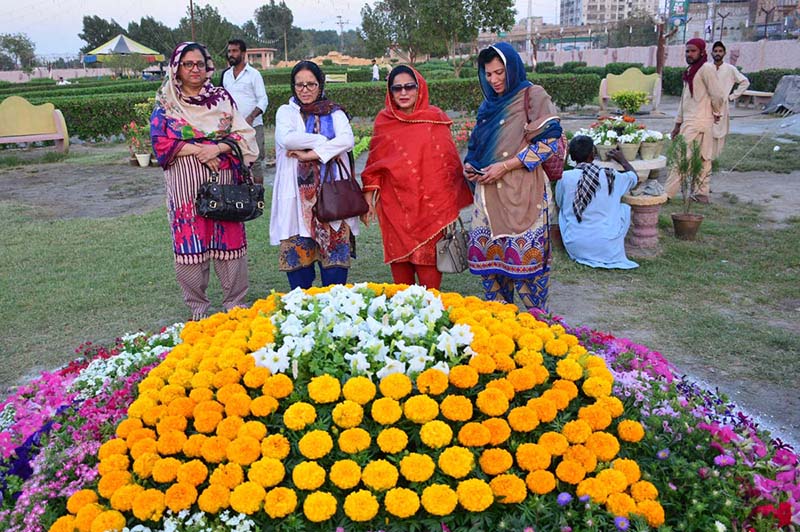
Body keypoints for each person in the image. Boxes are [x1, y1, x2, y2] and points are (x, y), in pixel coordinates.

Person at [150, 42, 259, 321]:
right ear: (177, 68)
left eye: (199, 63)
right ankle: (198, 310)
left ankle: (235, 306)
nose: (195, 69)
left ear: (208, 66)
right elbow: (161, 142)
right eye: (188, 64)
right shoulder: (167, 101)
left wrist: (218, 149)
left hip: (224, 185)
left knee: (229, 241)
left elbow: (244, 134)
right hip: (185, 188)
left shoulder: (221, 98)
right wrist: (201, 149)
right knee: (190, 246)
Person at [464, 43, 565, 311]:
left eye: (500, 72)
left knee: (527, 269)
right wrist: (470, 166)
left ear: (512, 69)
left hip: (523, 193)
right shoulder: (489, 105)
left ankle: (536, 331)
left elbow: (549, 144)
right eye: (488, 74)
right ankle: (502, 330)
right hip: (488, 195)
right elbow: (477, 146)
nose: (494, 80)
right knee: (492, 271)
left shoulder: (533, 95)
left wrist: (506, 166)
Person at [360, 66, 472, 289]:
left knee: (428, 275)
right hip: (394, 207)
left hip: (430, 207)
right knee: (401, 274)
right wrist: (368, 201)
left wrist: (447, 202)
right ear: (390, 92)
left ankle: (430, 319)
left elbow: (447, 165)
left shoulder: (435, 120)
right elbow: (375, 164)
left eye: (409, 87)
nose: (403, 93)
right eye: (397, 88)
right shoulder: (384, 121)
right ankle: (405, 318)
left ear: (419, 88)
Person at [271, 61, 358, 290]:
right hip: (295, 200)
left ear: (320, 85)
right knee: (300, 280)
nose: (305, 89)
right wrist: (325, 142)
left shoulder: (335, 112)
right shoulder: (286, 112)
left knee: (335, 276)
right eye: (299, 85)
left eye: (311, 84)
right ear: (293, 87)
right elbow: (287, 139)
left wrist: (313, 154)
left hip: (332, 196)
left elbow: (347, 140)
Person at [556, 136, 639, 270]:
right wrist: (622, 159)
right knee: (623, 207)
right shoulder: (611, 175)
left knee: (564, 210)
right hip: (607, 246)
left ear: (571, 156)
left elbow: (560, 203)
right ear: (593, 154)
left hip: (576, 245)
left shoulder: (565, 177)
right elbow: (634, 178)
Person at [667, 38, 725, 205]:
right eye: (687, 51)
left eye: (693, 51)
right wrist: (677, 125)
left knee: (685, 157)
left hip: (700, 121)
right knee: (699, 158)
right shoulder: (691, 70)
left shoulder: (706, 68)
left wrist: (716, 111)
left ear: (701, 52)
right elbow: (684, 101)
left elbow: (718, 95)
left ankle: (668, 194)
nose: (689, 54)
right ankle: (700, 193)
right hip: (691, 120)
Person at [223, 39, 268, 183]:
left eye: (235, 51)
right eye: (229, 51)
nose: (231, 54)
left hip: (253, 126)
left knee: (254, 162)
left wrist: (251, 117)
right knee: (234, 161)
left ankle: (258, 196)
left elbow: (263, 100)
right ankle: (240, 196)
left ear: (243, 53)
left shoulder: (254, 74)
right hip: (233, 128)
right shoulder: (226, 75)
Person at [710, 41, 750, 159]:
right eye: (715, 51)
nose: (718, 53)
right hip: (707, 104)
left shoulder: (730, 69)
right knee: (707, 131)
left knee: (720, 132)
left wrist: (732, 96)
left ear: (724, 53)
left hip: (722, 105)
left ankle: (715, 159)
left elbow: (744, 82)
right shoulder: (707, 68)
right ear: (712, 53)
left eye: (720, 51)